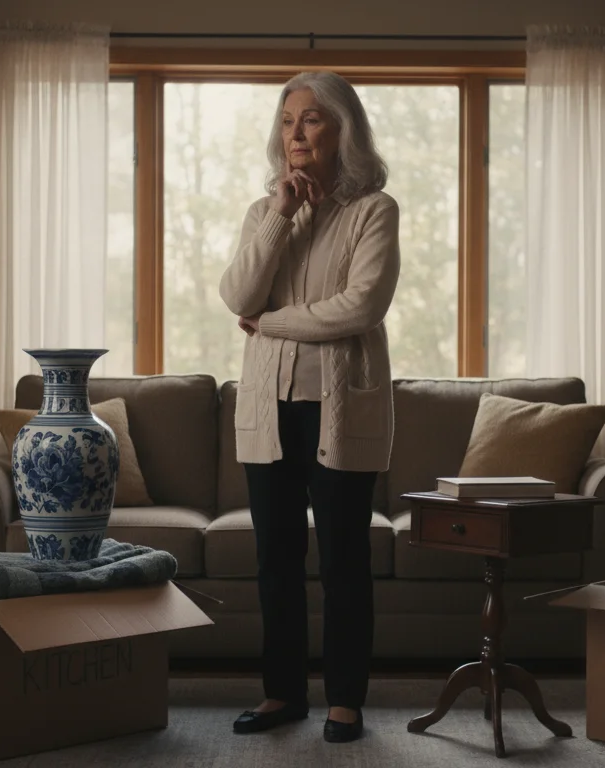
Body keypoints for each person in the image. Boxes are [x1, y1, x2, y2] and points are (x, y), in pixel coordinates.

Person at [218, 70, 400, 745]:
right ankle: (282, 695)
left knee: (345, 560)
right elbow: (239, 293)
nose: (296, 132)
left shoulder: (374, 211)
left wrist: (271, 324)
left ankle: (345, 701)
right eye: (289, 120)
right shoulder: (265, 210)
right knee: (276, 559)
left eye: (312, 119)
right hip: (266, 410)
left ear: (342, 128)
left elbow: (361, 307)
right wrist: (279, 217)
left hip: (340, 411)